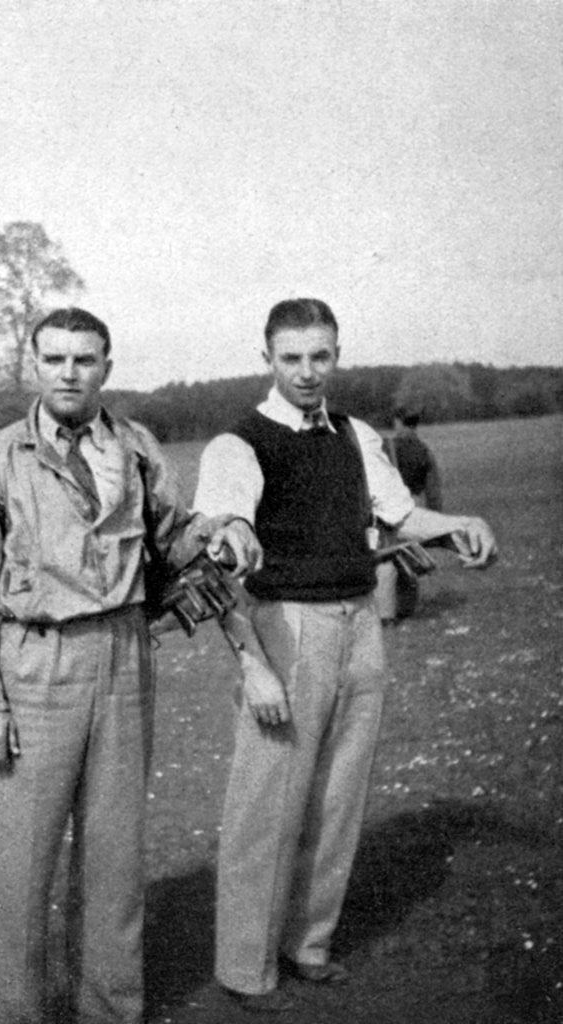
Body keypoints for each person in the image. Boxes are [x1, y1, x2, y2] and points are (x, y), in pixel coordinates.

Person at [0, 306, 259, 1024]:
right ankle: (7, 1014)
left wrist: (221, 532)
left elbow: (172, 536)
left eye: (84, 360)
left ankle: (108, 1010)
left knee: (114, 860)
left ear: (106, 368)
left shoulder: (137, 447)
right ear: (35, 365)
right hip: (33, 663)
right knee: (15, 867)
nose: (69, 373)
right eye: (54, 359)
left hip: (123, 654)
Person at [193, 297, 497, 1014]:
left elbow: (398, 517)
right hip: (286, 625)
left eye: (319, 356)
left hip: (361, 620)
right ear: (266, 358)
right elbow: (221, 538)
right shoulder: (237, 444)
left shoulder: (357, 434)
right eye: (291, 358)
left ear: (336, 355)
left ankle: (308, 945)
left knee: (338, 796)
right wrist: (251, 658)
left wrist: (457, 522)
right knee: (268, 803)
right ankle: (244, 967)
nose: (306, 371)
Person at [373, 405, 443, 622]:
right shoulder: (424, 450)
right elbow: (433, 490)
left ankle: (386, 614)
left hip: (387, 507)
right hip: (415, 505)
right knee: (408, 557)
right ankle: (406, 608)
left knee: (385, 557)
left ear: (398, 421)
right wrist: (433, 521)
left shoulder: (385, 446)